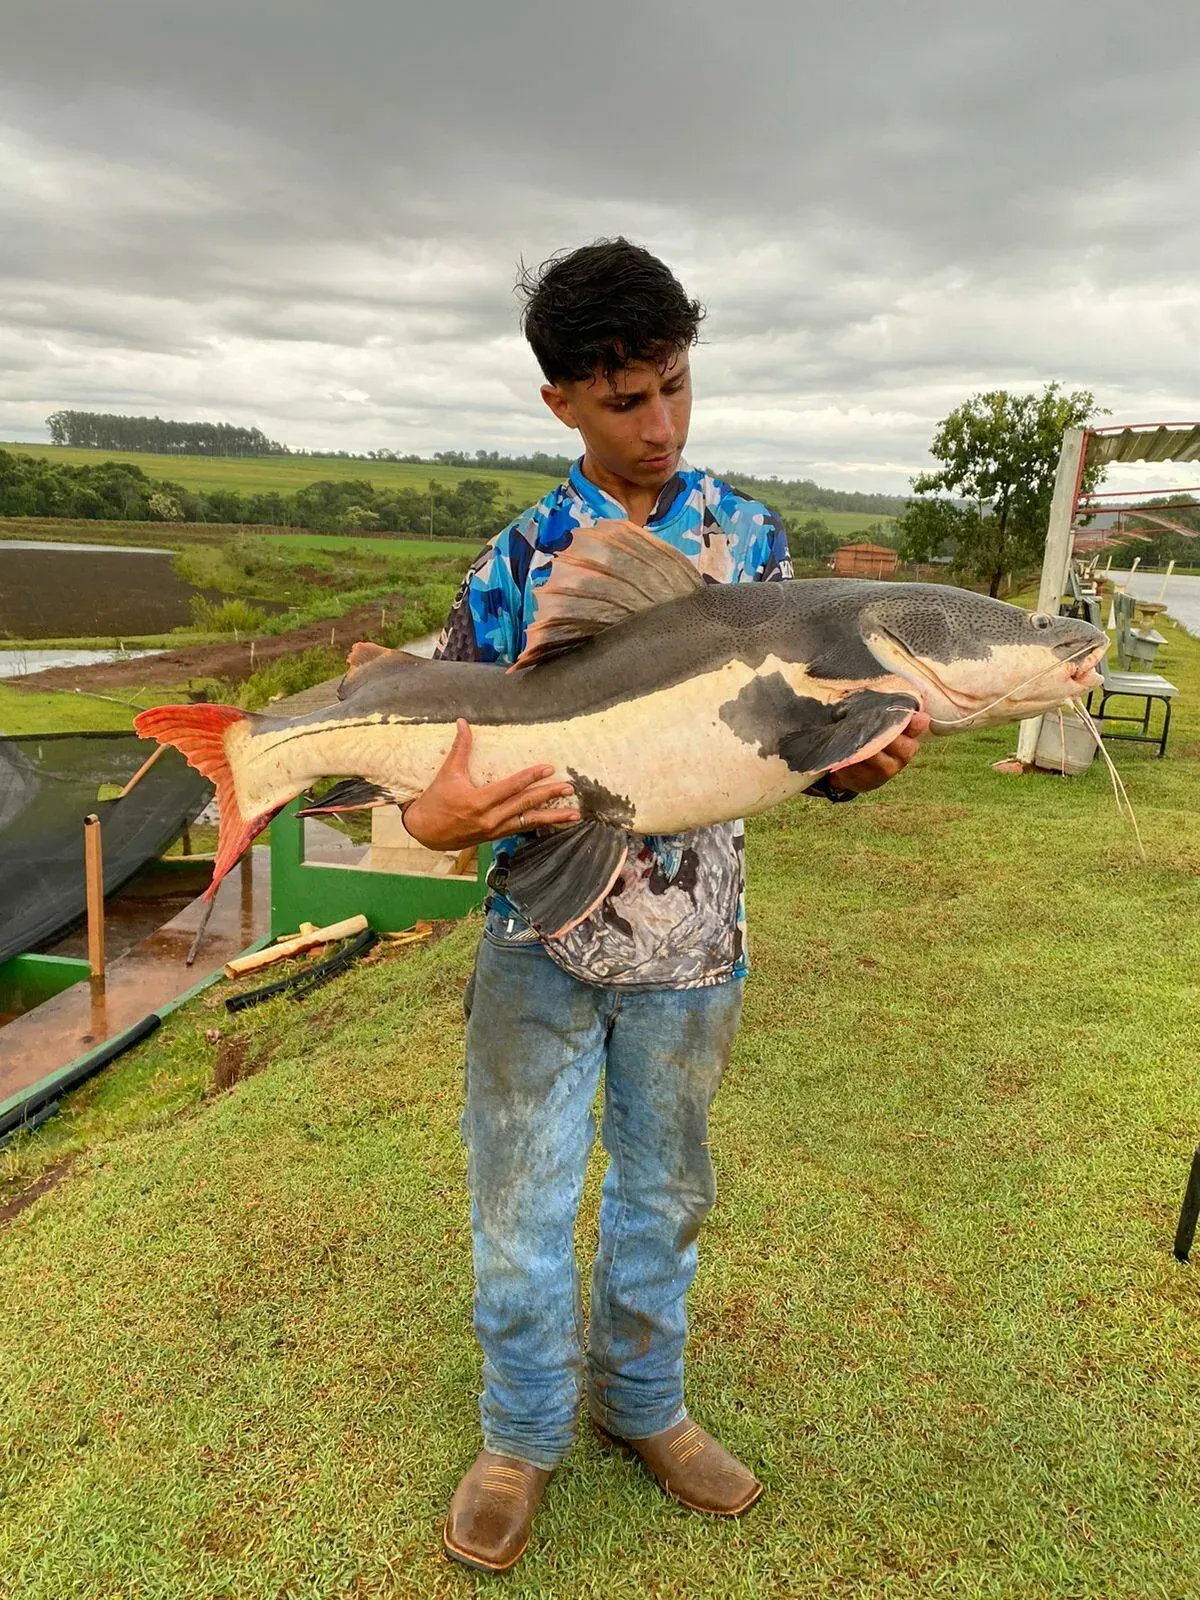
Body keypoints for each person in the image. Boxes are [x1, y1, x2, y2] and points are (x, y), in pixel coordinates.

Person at [400, 239, 928, 1574]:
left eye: (678, 387)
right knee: (519, 1203)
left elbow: (793, 752)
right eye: (627, 399)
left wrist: (854, 773)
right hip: (538, 936)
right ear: (561, 403)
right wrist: (429, 822)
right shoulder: (516, 558)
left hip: (698, 946)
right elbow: (435, 766)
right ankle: (520, 1434)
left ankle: (645, 1407)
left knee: (666, 1190)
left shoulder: (755, 543)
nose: (662, 425)